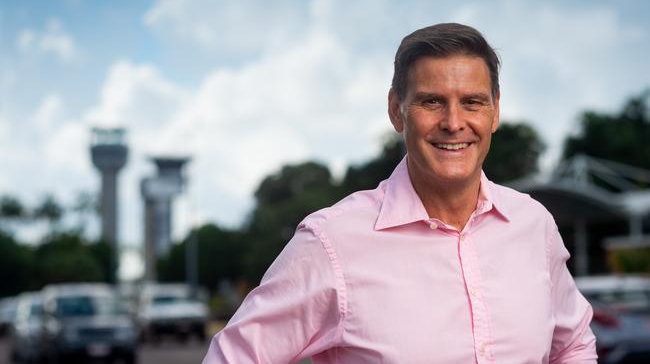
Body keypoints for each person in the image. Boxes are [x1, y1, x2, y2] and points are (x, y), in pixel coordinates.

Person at [202, 23, 597, 363]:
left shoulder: (533, 225)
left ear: (495, 112)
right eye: (432, 102)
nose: (454, 123)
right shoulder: (332, 242)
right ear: (396, 110)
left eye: (472, 102)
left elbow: (574, 344)